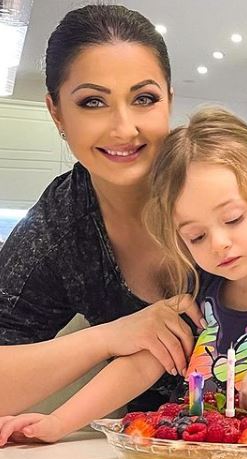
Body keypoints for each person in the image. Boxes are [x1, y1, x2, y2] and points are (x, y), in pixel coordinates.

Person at [0, 108, 247, 444]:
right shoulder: (198, 289)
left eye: (234, 218)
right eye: (196, 236)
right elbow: (140, 366)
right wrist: (58, 423)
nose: (219, 244)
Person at [0, 4, 202, 417]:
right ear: (57, 112)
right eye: (93, 102)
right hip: (146, 445)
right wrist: (112, 336)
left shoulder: (228, 178)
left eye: (144, 98)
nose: (124, 128)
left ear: (169, 99)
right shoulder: (57, 229)